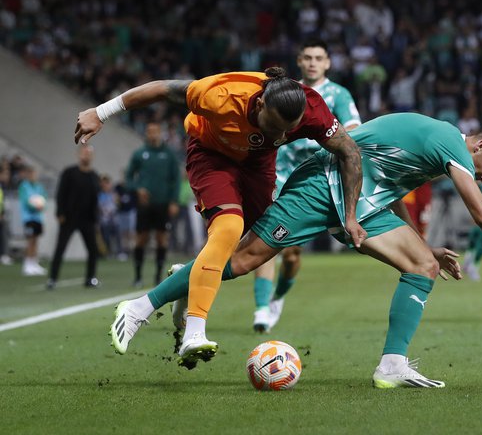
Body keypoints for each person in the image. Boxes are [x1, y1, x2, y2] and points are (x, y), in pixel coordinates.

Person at [109, 113, 482, 388]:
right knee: (243, 260)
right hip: (323, 187)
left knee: (424, 265)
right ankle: (141, 305)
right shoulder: (452, 144)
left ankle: (392, 365)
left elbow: (385, 188)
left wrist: (423, 243)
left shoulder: (437, 145)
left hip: (361, 204)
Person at [76, 68, 365, 364]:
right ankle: (183, 327)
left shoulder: (311, 109)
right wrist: (101, 112)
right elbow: (163, 88)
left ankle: (183, 281)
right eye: (274, 126)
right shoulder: (221, 95)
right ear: (261, 103)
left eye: (285, 131)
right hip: (211, 155)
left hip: (257, 164)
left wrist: (351, 216)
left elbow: (350, 153)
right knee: (228, 228)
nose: (279, 136)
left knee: (250, 252)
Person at [251, 38, 362, 333]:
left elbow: (354, 130)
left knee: (291, 254)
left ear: (327, 63)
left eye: (318, 58)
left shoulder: (338, 94)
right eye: (308, 57)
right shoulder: (287, 92)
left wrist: (328, 136)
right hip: (280, 172)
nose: (313, 62)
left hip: (312, 176)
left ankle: (277, 297)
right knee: (264, 236)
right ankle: (261, 307)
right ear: (299, 61)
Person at [125, 121, 181, 286]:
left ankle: (158, 276)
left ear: (160, 132)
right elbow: (128, 177)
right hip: (144, 205)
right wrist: (137, 189)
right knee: (141, 239)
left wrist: (174, 201)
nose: (152, 134)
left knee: (161, 239)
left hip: (163, 204)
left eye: (155, 131)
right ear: (146, 133)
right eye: (149, 131)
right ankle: (138, 276)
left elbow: (176, 180)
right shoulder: (139, 153)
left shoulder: (169, 154)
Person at [46, 145, 101, 290]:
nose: (86, 156)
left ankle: (90, 278)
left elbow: (95, 199)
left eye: (89, 153)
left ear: (92, 156)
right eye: (84, 153)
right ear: (78, 155)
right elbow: (61, 193)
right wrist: (60, 213)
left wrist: (96, 218)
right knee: (60, 249)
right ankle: (52, 278)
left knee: (93, 250)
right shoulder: (69, 173)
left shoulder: (94, 176)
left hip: (88, 220)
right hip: (69, 218)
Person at [18, 165, 47, 276]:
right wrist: (35, 206)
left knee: (36, 240)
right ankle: (27, 264)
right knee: (30, 240)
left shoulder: (39, 186)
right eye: (30, 173)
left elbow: (43, 199)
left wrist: (42, 206)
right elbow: (25, 201)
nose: (32, 176)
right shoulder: (24, 186)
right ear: (27, 174)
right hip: (28, 218)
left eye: (34, 173)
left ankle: (34, 263)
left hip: (38, 218)